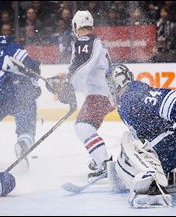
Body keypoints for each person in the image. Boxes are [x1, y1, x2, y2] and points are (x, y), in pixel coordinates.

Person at [106, 64, 176, 208]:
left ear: (118, 82)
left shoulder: (131, 96)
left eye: (109, 84)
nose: (108, 89)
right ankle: (173, 179)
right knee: (138, 144)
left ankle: (150, 190)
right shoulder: (128, 99)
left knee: (133, 150)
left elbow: (169, 98)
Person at [47, 11, 115, 179]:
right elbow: (83, 69)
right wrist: (68, 84)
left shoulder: (84, 42)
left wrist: (69, 86)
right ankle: (99, 156)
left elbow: (83, 67)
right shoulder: (96, 41)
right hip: (105, 93)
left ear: (76, 26)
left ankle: (104, 163)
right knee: (88, 126)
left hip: (100, 94)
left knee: (83, 127)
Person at [0, 35, 42, 170]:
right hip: (19, 88)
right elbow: (30, 65)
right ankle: (23, 144)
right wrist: (35, 77)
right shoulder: (13, 48)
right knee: (26, 122)